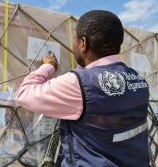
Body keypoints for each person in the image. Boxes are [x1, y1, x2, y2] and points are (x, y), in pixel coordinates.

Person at [16, 10, 150, 167]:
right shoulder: (138, 80)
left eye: (75, 39)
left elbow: (24, 94)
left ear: (83, 43)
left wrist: (48, 66)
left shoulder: (80, 83)